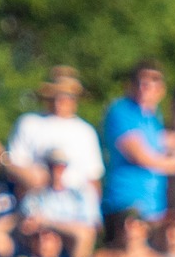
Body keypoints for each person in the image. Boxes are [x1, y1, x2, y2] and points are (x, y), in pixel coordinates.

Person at [7, 67, 106, 205]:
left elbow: (93, 178)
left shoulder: (86, 132)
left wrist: (94, 214)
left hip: (74, 204)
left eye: (66, 97)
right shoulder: (29, 123)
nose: (60, 101)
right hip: (36, 200)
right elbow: (14, 164)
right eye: (55, 95)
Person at [100, 61, 175, 224]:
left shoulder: (155, 118)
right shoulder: (121, 111)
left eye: (153, 81)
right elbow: (141, 157)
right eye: (141, 81)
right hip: (126, 205)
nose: (145, 86)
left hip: (154, 206)